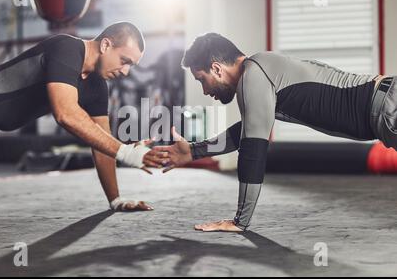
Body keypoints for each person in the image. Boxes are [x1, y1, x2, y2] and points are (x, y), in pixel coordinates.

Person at [154, 32, 396, 232]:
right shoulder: (260, 71)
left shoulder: (254, 75)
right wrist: (194, 152)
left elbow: (253, 150)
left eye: (201, 80)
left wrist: (240, 221)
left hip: (388, 108)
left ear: (216, 69)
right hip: (386, 106)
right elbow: (247, 131)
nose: (205, 91)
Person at [0, 22, 166, 212]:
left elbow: (101, 142)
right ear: (106, 45)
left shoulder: (98, 88)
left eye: (132, 66)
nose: (125, 71)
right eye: (124, 60)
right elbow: (65, 113)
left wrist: (116, 200)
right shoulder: (67, 48)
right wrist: (126, 152)